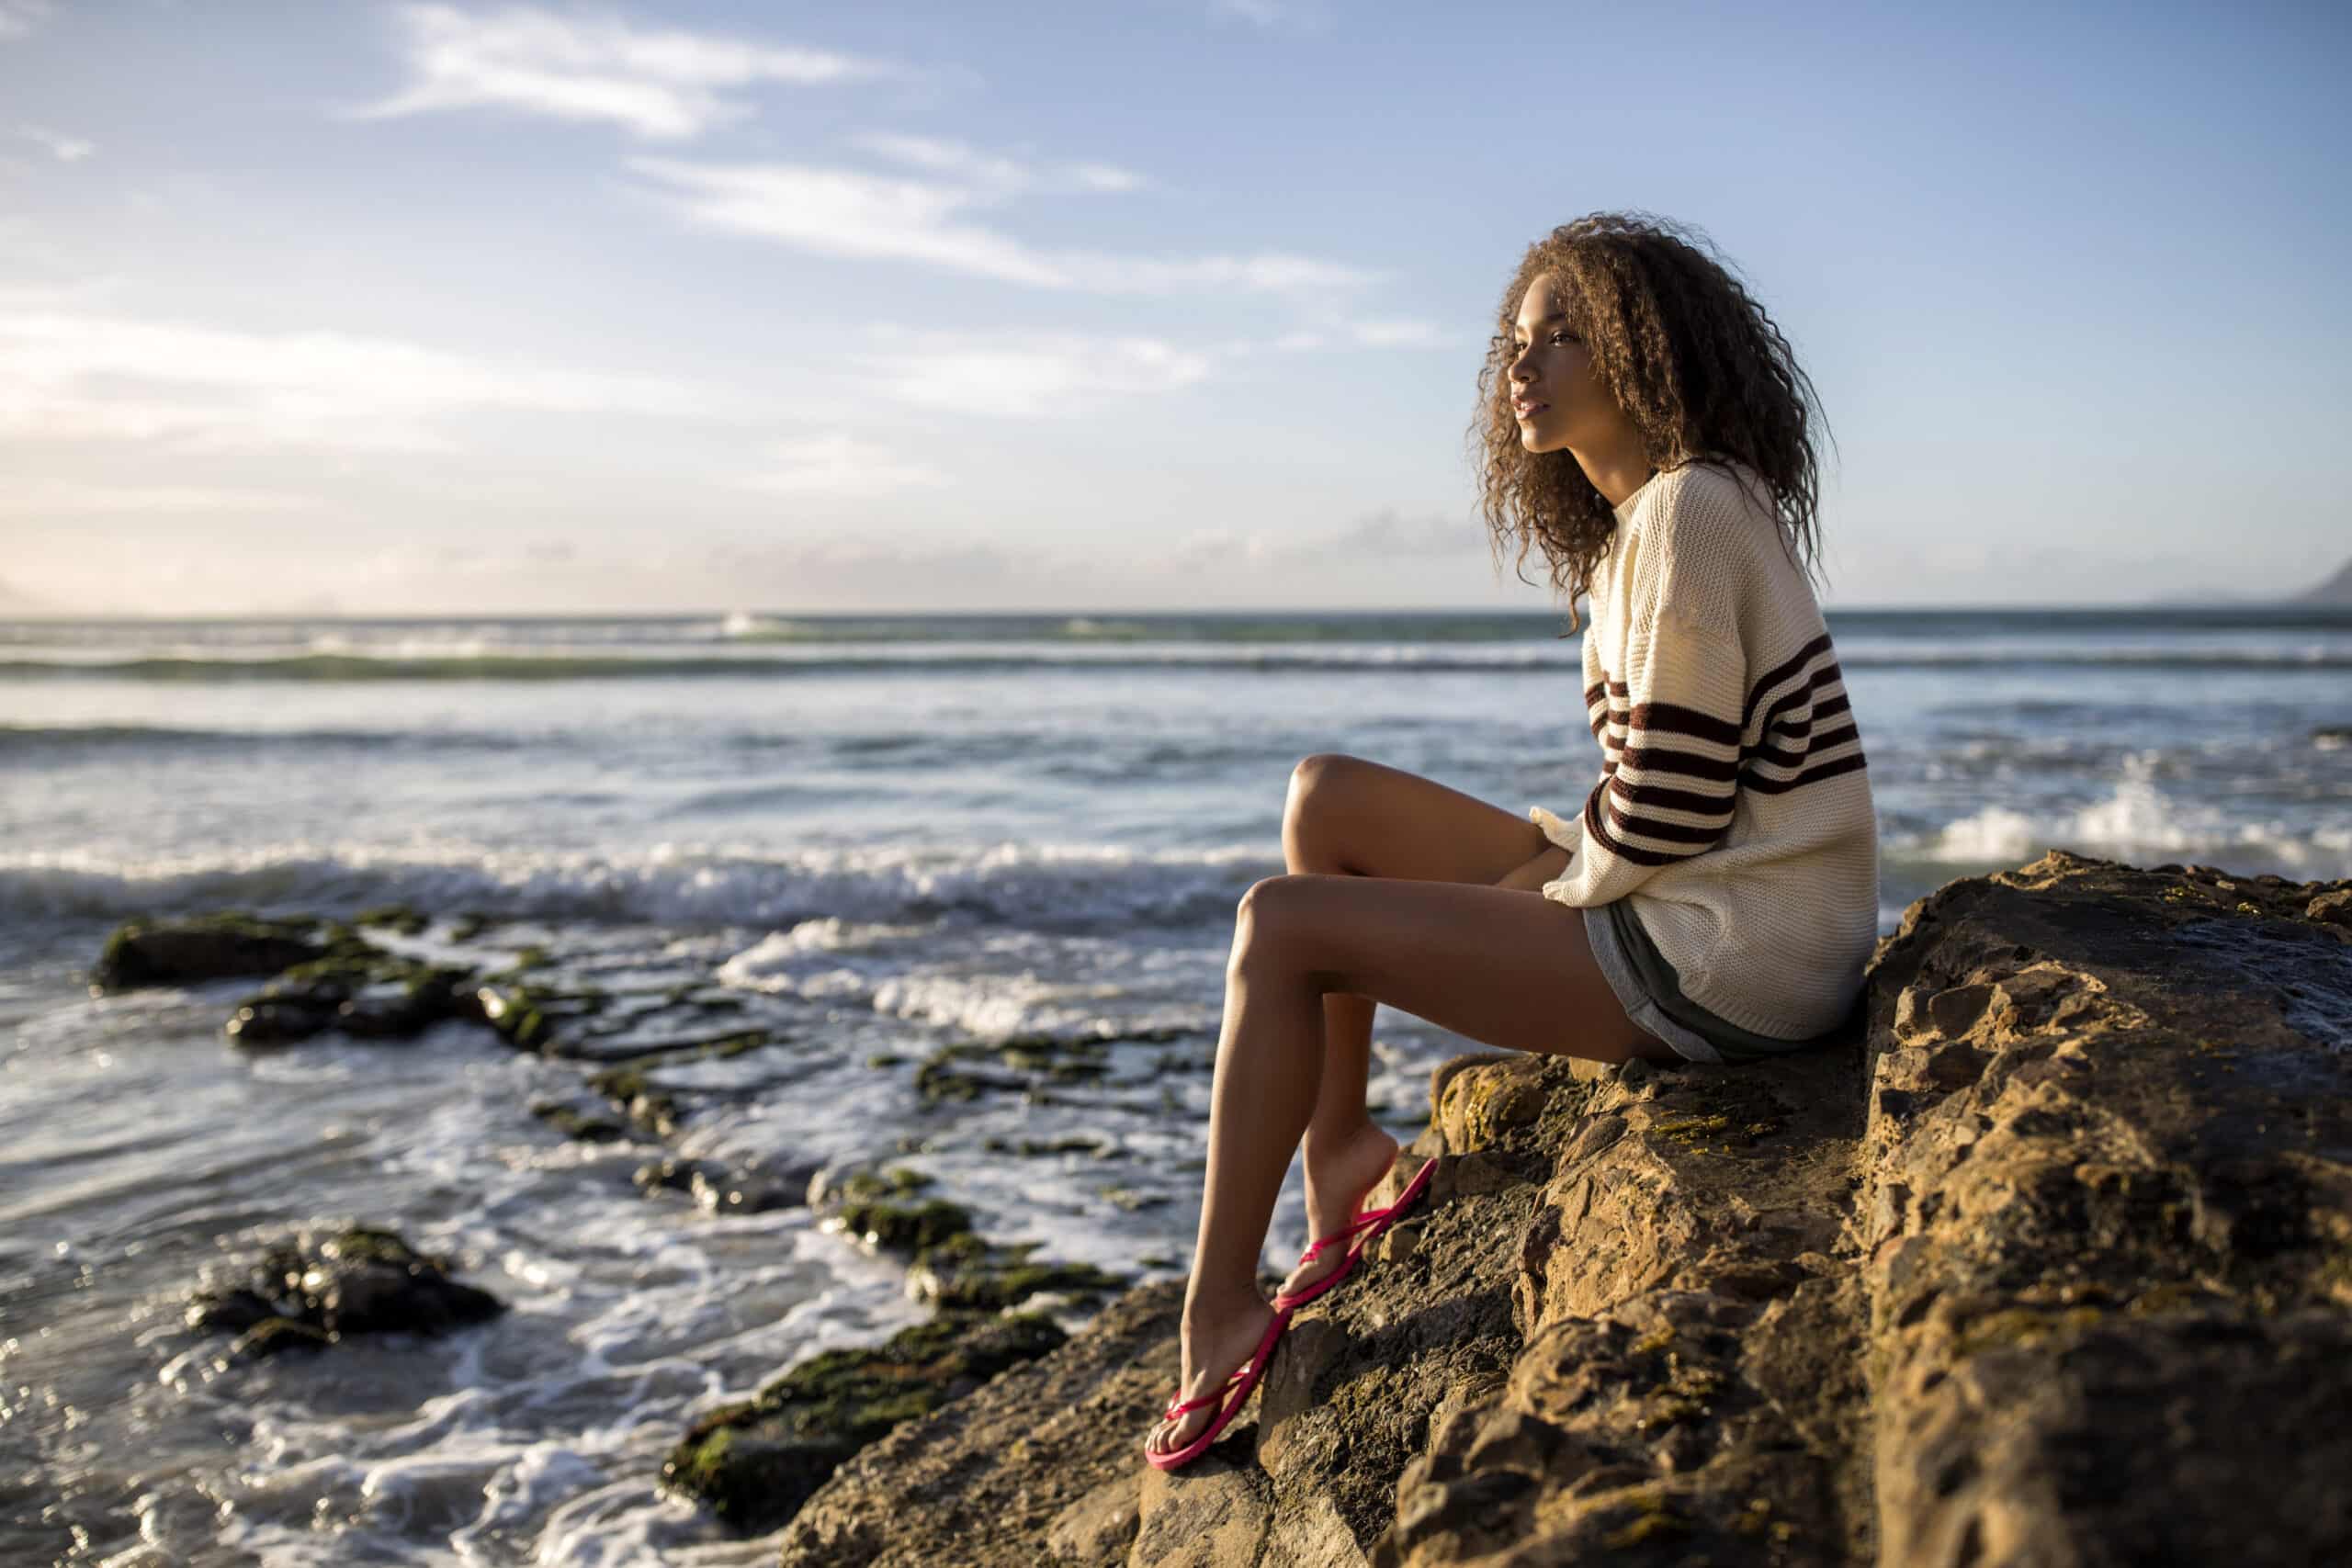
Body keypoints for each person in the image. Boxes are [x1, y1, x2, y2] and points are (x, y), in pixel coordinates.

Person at [1141, 210, 1881, 1469]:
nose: (1520, 367)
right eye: (1515, 342)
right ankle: (1343, 1155)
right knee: (1325, 797)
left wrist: (1560, 877)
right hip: (1700, 901)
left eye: (1564, 336)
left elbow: (1680, 803)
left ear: (1648, 352)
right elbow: (1668, 791)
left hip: (1731, 956)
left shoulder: (1691, 511)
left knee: (1283, 927)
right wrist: (1568, 865)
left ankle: (1215, 1315)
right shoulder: (1648, 524)